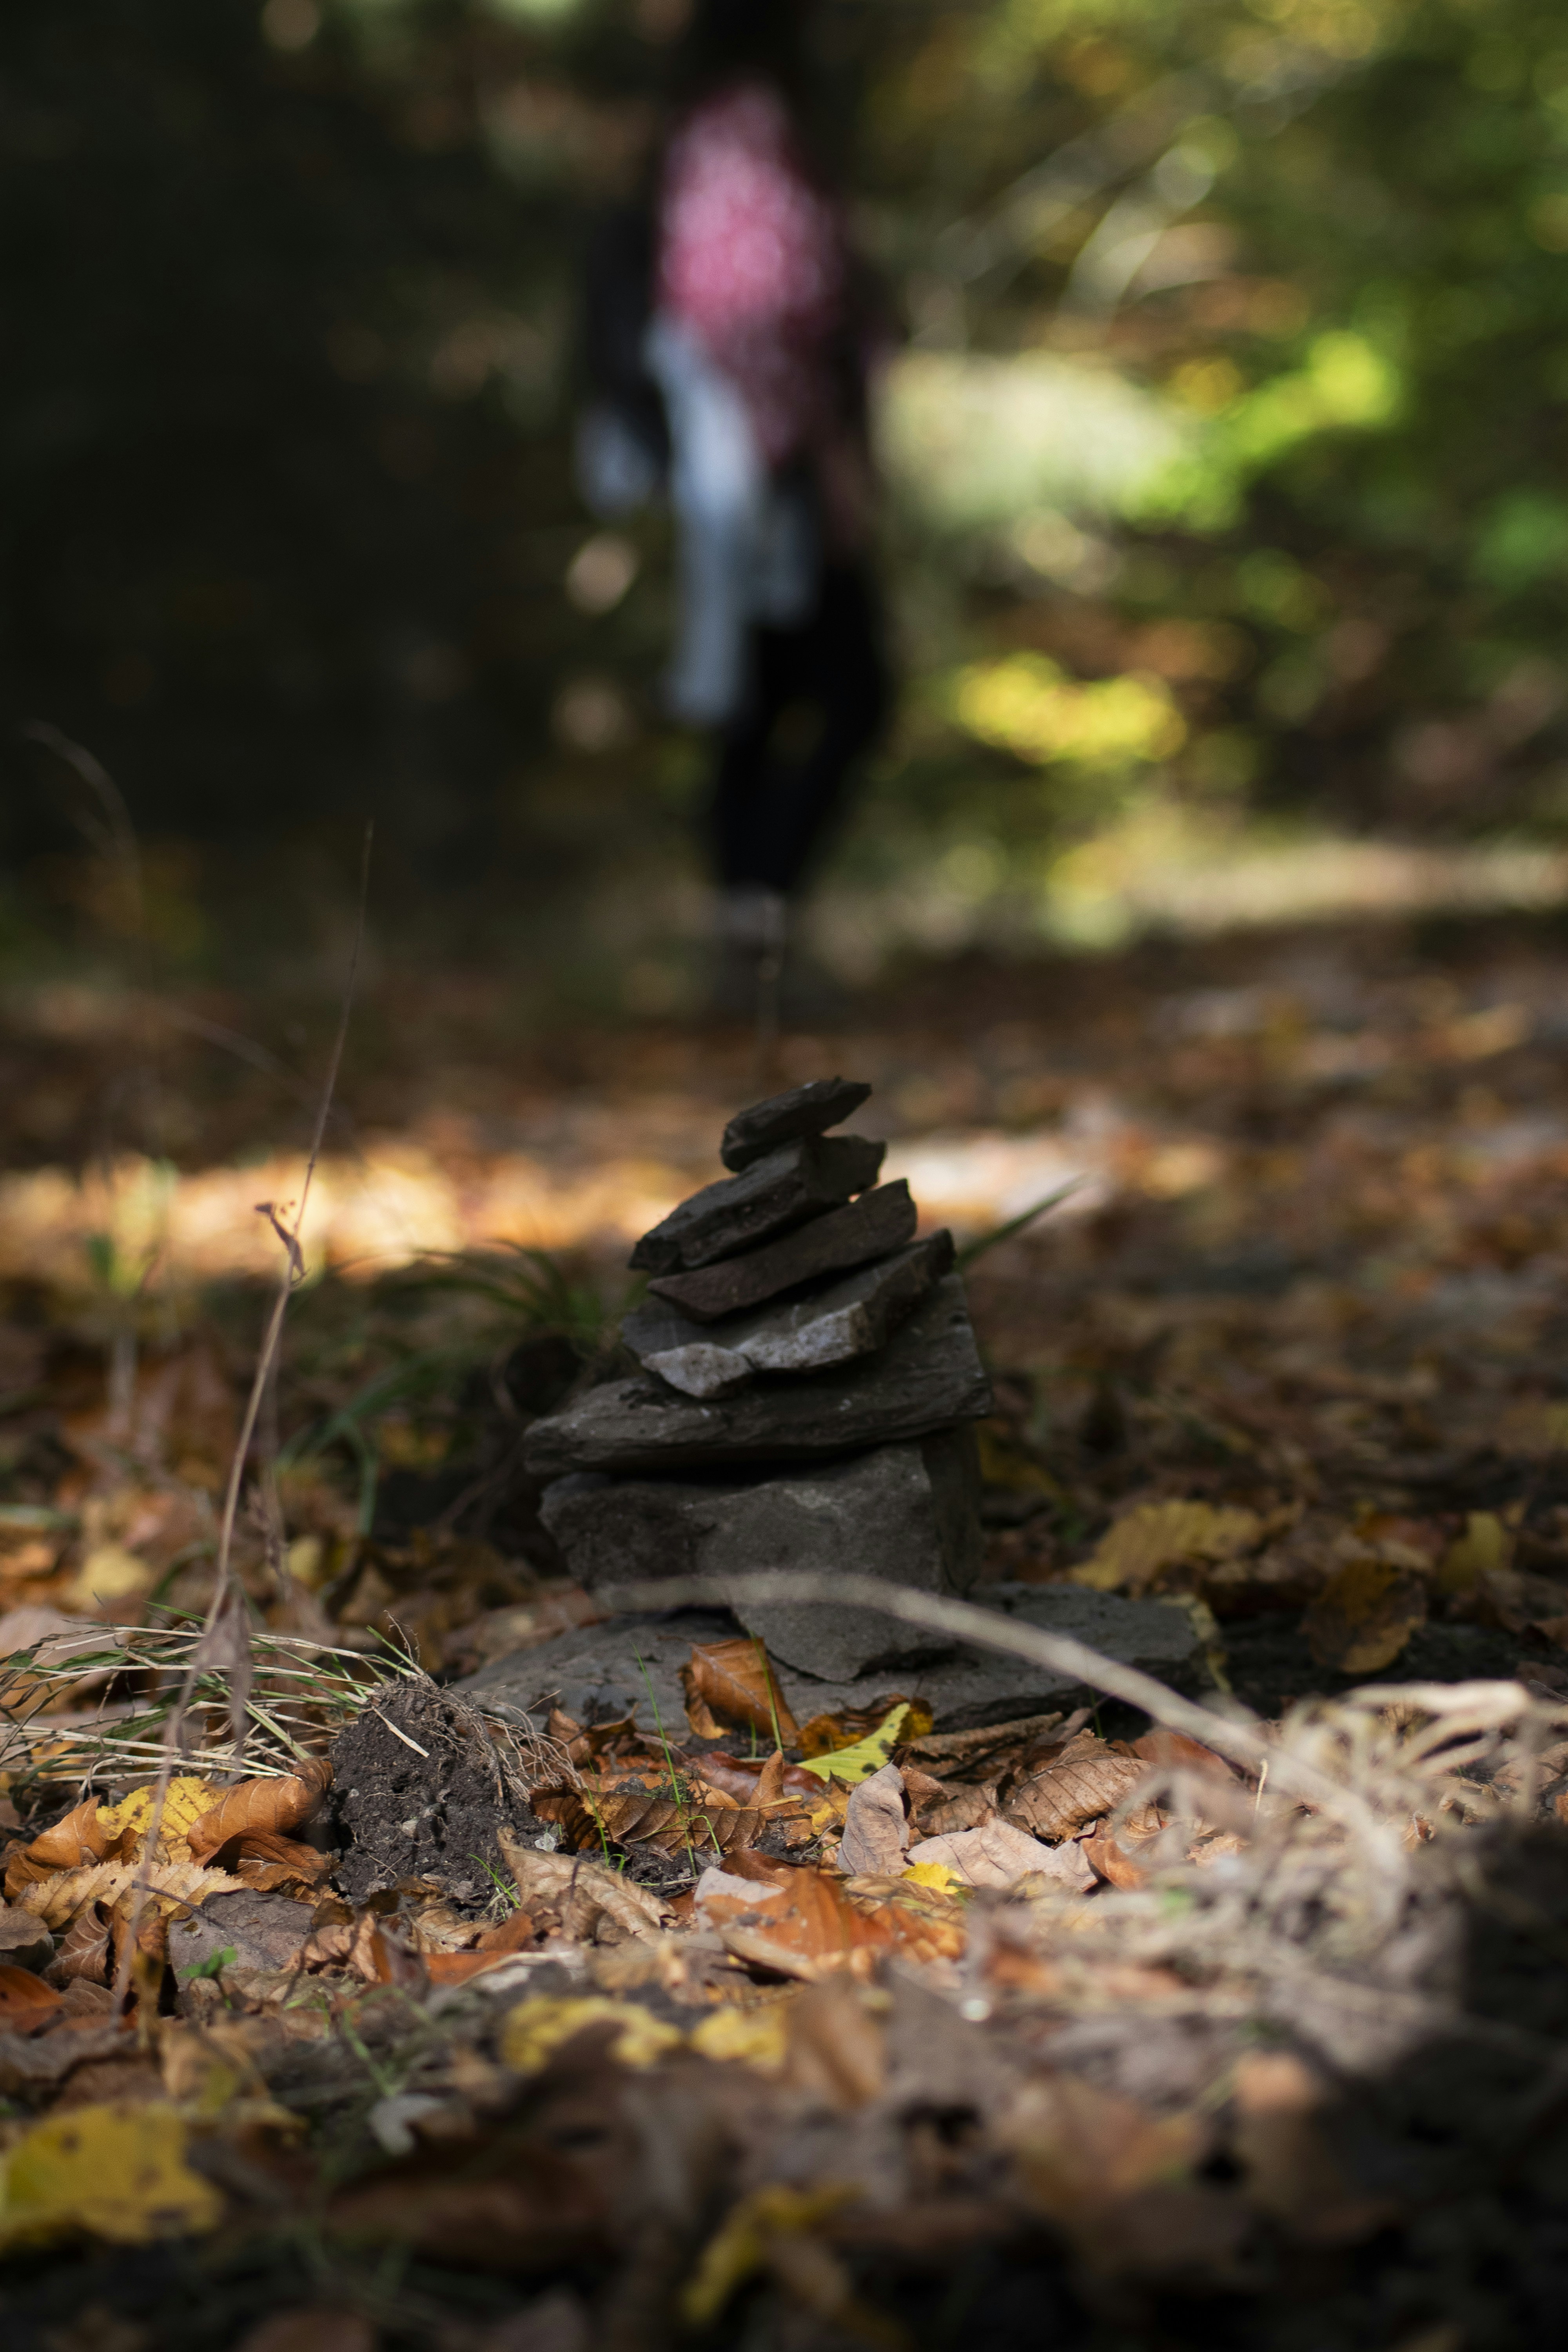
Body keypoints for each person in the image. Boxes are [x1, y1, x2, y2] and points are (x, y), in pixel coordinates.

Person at [577, 0, 890, 1019]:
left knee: (768, 698)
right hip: (771, 468)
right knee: (838, 691)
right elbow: (769, 311)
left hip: (745, 467)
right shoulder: (750, 130)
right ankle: (753, 938)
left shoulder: (703, 129)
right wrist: (831, 454)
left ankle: (750, 940)